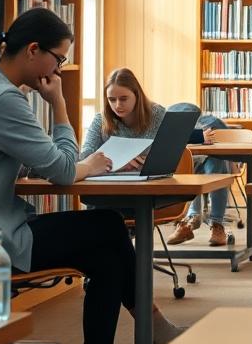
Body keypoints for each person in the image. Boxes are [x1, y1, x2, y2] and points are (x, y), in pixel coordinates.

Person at [0, 8, 185, 344]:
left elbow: (40, 162)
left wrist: (57, 161)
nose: (58, 71)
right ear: (34, 50)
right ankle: (154, 324)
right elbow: (64, 171)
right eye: (59, 59)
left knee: (106, 255)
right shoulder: (3, 98)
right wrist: (60, 108)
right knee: (109, 226)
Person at [80, 68, 233, 247]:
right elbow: (83, 157)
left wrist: (151, 162)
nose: (117, 105)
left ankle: (126, 260)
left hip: (148, 192)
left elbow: (172, 154)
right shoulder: (101, 121)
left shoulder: (156, 115)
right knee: (99, 216)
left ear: (136, 95)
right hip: (111, 192)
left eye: (123, 98)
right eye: (111, 99)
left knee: (115, 222)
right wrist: (117, 163)